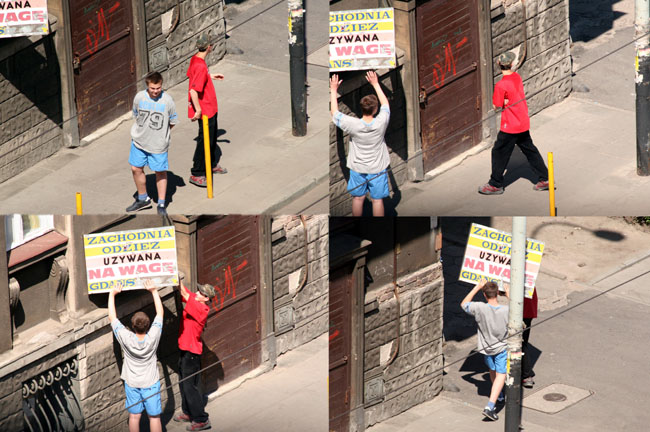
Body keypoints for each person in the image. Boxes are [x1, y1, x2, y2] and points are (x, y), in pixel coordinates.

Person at [478, 51, 549, 195]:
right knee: (530, 150)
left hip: (510, 126)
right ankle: (545, 178)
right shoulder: (517, 77)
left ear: (498, 64)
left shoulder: (500, 85)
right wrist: (506, 101)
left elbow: (496, 105)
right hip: (522, 121)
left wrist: (503, 102)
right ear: (511, 64)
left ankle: (495, 184)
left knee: (498, 152)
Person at [330, 71, 391, 217]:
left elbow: (334, 113)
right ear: (375, 110)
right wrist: (376, 84)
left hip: (357, 167)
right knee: (377, 201)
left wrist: (333, 90)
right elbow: (386, 105)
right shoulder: (382, 122)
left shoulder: (353, 125)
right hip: (377, 168)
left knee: (358, 198)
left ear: (361, 108)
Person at [108, 280, 164, 432]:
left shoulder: (126, 338)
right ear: (148, 325)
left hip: (132, 383)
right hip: (150, 382)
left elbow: (112, 318)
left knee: (134, 416)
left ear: (133, 326)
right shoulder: (153, 336)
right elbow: (160, 313)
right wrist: (153, 291)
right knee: (154, 417)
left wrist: (112, 294)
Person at [126, 71, 178, 216]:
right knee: (136, 168)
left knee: (160, 172)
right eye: (152, 88)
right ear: (147, 86)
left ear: (161, 85)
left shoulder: (167, 101)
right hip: (139, 141)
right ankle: (143, 199)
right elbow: (136, 114)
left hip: (158, 145)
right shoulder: (139, 97)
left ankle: (161, 203)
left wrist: (161, 134)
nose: (155, 91)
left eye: (158, 88)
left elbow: (172, 121)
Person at [461, 278, 509, 421]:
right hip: (501, 348)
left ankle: (498, 393)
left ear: (484, 294)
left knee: (492, 370)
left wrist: (477, 287)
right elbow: (518, 310)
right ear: (497, 293)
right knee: (502, 374)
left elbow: (464, 304)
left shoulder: (479, 308)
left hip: (486, 348)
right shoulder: (506, 310)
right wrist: (508, 294)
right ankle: (490, 406)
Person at [173, 277, 216, 431]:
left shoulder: (201, 309)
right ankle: (188, 412)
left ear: (206, 298)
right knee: (185, 383)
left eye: (201, 292)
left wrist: (174, 275)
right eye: (199, 290)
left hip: (191, 353)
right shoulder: (197, 301)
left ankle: (201, 419)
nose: (197, 292)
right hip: (186, 349)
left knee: (190, 387)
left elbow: (184, 292)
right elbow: (184, 292)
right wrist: (178, 281)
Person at [187, 33, 227, 188]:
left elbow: (198, 78)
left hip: (210, 108)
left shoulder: (196, 59)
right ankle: (197, 173)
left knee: (211, 141)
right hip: (205, 111)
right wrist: (197, 110)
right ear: (209, 48)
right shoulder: (200, 65)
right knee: (204, 142)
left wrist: (210, 76)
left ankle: (210, 165)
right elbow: (193, 91)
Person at [522, 286, 538, 388]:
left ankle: (527, 374)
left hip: (523, 312)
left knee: (521, 343)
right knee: (523, 342)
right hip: (528, 311)